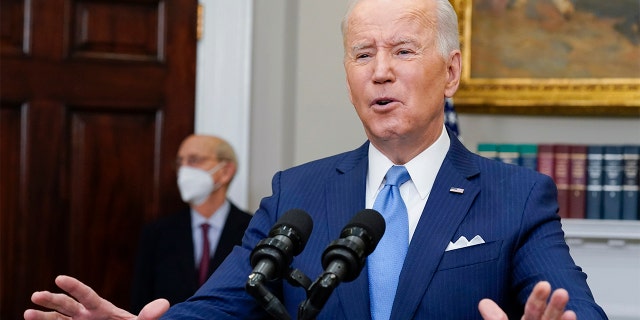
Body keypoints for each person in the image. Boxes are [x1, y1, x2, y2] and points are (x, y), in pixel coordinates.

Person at [24, 0, 607, 319]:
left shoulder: (516, 195)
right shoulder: (297, 193)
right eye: (362, 54)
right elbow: (220, 308)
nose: (380, 70)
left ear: (450, 71)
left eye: (403, 50)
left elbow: (574, 311)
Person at [130, 134, 252, 313]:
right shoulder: (157, 233)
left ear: (226, 171)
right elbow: (141, 303)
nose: (184, 170)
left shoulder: (254, 230)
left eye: (194, 160)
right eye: (180, 162)